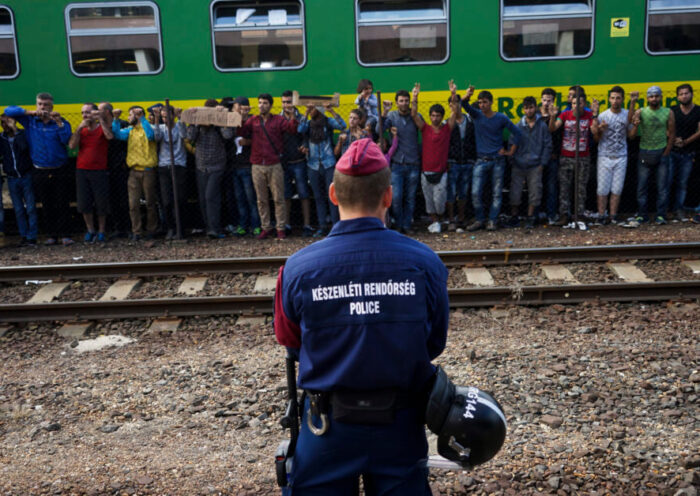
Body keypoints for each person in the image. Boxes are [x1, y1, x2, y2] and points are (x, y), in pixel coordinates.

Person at [274, 137, 448, 494]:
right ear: (388, 196)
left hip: (326, 429)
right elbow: (433, 342)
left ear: (334, 194)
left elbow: (291, 341)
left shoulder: (297, 268)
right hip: (401, 426)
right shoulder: (424, 263)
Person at [4, 93, 74, 245]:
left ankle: (66, 235)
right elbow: (9, 111)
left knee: (62, 203)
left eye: (46, 105)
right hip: (40, 169)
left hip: (60, 168)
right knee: (46, 204)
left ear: (52, 106)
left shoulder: (62, 122)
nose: (43, 107)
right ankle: (51, 236)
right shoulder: (30, 122)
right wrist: (30, 112)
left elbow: (66, 141)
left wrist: (59, 123)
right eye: (40, 104)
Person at [457, 84, 522, 231]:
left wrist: (510, 151)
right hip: (481, 160)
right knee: (475, 192)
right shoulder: (477, 115)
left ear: (491, 102)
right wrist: (468, 95)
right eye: (480, 102)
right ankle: (480, 219)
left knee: (497, 193)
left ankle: (492, 220)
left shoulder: (500, 118)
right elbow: (463, 104)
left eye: (485, 102)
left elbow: (517, 132)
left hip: (498, 160)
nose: (482, 105)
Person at [238, 93, 298, 240]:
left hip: (274, 164)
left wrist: (292, 116)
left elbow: (291, 129)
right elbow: (241, 132)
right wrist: (240, 117)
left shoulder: (278, 120)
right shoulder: (253, 120)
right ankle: (266, 227)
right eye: (259, 103)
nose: (261, 106)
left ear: (270, 105)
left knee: (278, 198)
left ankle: (280, 228)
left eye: (264, 103)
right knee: (261, 199)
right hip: (257, 164)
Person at [625, 86, 676, 227]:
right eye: (651, 96)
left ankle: (660, 215)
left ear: (661, 97)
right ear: (647, 98)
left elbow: (672, 133)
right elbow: (629, 123)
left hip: (661, 153)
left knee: (662, 188)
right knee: (642, 187)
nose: (654, 99)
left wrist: (666, 151)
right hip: (644, 153)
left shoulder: (668, 112)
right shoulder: (641, 111)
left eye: (656, 96)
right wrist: (633, 103)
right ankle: (642, 215)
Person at [411, 82, 458, 233]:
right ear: (429, 116)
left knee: (439, 201)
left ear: (441, 117)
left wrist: (453, 94)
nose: (435, 118)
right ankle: (435, 222)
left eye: (438, 115)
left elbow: (454, 112)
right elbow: (413, 114)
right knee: (429, 201)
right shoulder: (425, 128)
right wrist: (415, 97)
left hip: (441, 172)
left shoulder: (447, 129)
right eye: (432, 115)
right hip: (426, 172)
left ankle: (440, 218)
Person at [548, 91, 597, 229]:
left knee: (581, 187)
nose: (576, 106)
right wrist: (552, 116)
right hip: (566, 156)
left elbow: (594, 132)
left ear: (584, 104)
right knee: (564, 187)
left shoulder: (588, 116)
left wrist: (595, 114)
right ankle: (564, 214)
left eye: (579, 103)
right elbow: (552, 128)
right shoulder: (565, 115)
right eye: (574, 103)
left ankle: (579, 214)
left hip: (583, 157)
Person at [187, 99, 234, 239]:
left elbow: (228, 135)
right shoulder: (198, 126)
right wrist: (194, 120)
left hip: (217, 165)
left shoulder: (218, 125)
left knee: (210, 196)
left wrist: (220, 119)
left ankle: (214, 228)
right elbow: (189, 137)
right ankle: (209, 227)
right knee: (203, 199)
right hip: (201, 166)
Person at [298, 103, 346, 237]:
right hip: (313, 165)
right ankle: (322, 226)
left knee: (332, 196)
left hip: (328, 163)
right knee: (318, 197)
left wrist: (331, 111)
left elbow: (342, 126)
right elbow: (300, 129)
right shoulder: (308, 123)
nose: (310, 110)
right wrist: (306, 113)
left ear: (319, 110)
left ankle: (336, 226)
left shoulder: (328, 122)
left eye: (312, 108)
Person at [68, 103, 114, 243]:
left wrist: (101, 120)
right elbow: (72, 146)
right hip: (82, 170)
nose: (85, 115)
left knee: (101, 203)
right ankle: (90, 230)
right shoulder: (81, 130)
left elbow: (109, 137)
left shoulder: (102, 127)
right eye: (83, 113)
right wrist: (79, 128)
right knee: (84, 203)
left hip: (99, 170)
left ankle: (101, 231)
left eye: (88, 112)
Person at [378, 89, 422, 233]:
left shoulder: (416, 116)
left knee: (410, 198)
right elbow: (379, 129)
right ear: (396, 103)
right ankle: (398, 225)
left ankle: (407, 226)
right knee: (396, 198)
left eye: (406, 101)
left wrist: (416, 98)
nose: (404, 103)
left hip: (413, 162)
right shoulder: (391, 116)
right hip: (396, 164)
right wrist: (384, 112)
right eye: (401, 101)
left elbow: (425, 129)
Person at [112, 105, 158, 241]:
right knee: (133, 204)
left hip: (148, 171)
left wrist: (142, 118)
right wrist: (115, 119)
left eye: (131, 115)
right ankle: (136, 231)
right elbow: (117, 135)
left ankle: (151, 229)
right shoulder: (130, 130)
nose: (128, 117)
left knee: (150, 203)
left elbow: (150, 136)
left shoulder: (149, 127)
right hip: (133, 171)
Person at [591, 86, 634, 225]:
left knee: (617, 188)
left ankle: (613, 215)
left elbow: (631, 136)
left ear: (622, 99)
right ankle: (601, 215)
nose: (615, 101)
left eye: (618, 98)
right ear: (609, 99)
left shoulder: (627, 114)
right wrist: (600, 131)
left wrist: (636, 125)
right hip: (604, 156)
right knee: (602, 188)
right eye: (613, 98)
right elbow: (596, 139)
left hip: (621, 156)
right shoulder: (603, 115)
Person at [508, 96, 552, 229]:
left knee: (535, 192)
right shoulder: (517, 126)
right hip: (518, 165)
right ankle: (514, 217)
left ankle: (530, 217)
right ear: (523, 109)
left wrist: (542, 164)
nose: (529, 111)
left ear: (535, 108)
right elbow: (511, 144)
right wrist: (513, 162)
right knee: (515, 193)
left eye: (531, 107)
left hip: (535, 166)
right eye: (526, 108)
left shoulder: (542, 126)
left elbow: (547, 145)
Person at [226, 97, 261, 237]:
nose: (237, 110)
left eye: (238, 107)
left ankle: (256, 225)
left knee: (251, 198)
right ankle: (243, 225)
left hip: (247, 165)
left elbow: (258, 138)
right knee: (240, 198)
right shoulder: (232, 122)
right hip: (235, 165)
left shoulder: (252, 121)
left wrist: (249, 141)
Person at [0, 113, 38, 245]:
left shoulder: (22, 134)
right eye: (3, 123)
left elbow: (24, 148)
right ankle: (24, 235)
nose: (6, 125)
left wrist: (15, 131)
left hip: (25, 176)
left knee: (31, 208)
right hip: (12, 178)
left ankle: (32, 236)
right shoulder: (2, 138)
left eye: (8, 122)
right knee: (18, 209)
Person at [280, 91, 313, 237]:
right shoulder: (279, 119)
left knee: (303, 194)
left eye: (289, 102)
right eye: (284, 102)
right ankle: (286, 224)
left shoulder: (302, 117)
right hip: (284, 162)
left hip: (299, 161)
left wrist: (305, 145)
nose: (287, 105)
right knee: (286, 194)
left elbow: (307, 135)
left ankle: (307, 225)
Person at [153, 105, 187, 240]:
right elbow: (156, 138)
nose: (165, 119)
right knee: (166, 201)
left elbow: (185, 135)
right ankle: (170, 228)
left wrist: (181, 118)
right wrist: (156, 120)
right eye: (163, 117)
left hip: (178, 165)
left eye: (167, 116)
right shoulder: (161, 128)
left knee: (180, 200)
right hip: (164, 166)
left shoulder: (179, 126)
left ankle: (181, 229)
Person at [445, 91, 477, 232]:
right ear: (449, 106)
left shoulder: (470, 121)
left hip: (467, 161)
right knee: (451, 193)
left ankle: (462, 219)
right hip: (453, 161)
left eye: (458, 103)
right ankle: (452, 219)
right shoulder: (447, 123)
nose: (455, 106)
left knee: (463, 192)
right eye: (452, 104)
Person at [668, 84, 700, 221]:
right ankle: (665, 211)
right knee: (667, 181)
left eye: (686, 93)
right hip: (672, 152)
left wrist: (685, 142)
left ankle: (679, 209)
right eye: (681, 94)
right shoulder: (673, 110)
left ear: (692, 94)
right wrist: (673, 139)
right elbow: (665, 128)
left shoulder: (698, 110)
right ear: (677, 97)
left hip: (689, 153)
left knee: (682, 183)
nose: (683, 96)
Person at [101, 102, 131, 239]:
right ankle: (118, 228)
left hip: (121, 167)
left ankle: (129, 227)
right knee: (112, 200)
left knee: (125, 199)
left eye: (99, 110)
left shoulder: (123, 124)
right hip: (107, 167)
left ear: (107, 111)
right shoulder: (99, 126)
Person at [540, 88, 562, 224]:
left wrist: (552, 115)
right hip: (538, 158)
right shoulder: (535, 115)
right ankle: (538, 213)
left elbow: (553, 132)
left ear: (554, 101)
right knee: (537, 187)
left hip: (553, 157)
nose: (547, 103)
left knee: (552, 187)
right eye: (544, 100)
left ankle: (551, 214)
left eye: (549, 100)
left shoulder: (559, 116)